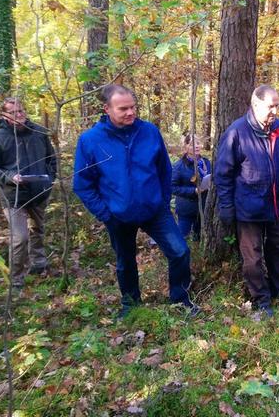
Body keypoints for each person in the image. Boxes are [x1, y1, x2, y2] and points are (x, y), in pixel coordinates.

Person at [73, 84, 196, 317]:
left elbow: (164, 170)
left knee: (180, 251)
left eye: (133, 107)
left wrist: (162, 200)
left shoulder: (149, 131)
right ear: (107, 109)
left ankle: (180, 300)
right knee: (125, 262)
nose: (130, 112)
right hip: (117, 214)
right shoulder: (90, 140)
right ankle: (131, 306)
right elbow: (82, 184)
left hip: (155, 210)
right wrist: (106, 214)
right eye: (123, 109)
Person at [214, 85, 279, 318]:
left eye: (277, 106)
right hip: (248, 206)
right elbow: (223, 174)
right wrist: (227, 207)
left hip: (274, 203)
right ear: (255, 104)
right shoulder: (236, 132)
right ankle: (261, 298)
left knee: (278, 247)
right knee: (252, 257)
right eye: (270, 106)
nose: (275, 111)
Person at [0, 98, 57, 289]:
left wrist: (50, 179)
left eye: (22, 110)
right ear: (4, 115)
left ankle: (39, 263)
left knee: (38, 229)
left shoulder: (39, 132)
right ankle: (15, 279)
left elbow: (51, 159)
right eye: (14, 112)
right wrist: (10, 176)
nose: (19, 114)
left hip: (39, 191)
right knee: (20, 238)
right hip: (13, 196)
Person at [171, 133, 211, 242]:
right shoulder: (179, 166)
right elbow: (172, 187)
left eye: (198, 143)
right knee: (182, 239)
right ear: (186, 147)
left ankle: (196, 258)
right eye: (193, 144)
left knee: (198, 240)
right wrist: (194, 191)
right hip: (186, 209)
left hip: (203, 208)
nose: (197, 146)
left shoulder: (206, 163)